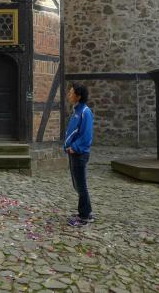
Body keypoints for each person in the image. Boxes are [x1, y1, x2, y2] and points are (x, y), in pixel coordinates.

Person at [65, 82, 94, 227]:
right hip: (74, 153)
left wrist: (75, 148)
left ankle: (84, 217)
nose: (69, 95)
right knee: (77, 185)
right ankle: (86, 211)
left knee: (81, 185)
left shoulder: (85, 112)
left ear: (78, 96)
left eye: (71, 93)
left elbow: (86, 135)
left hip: (79, 154)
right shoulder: (77, 110)